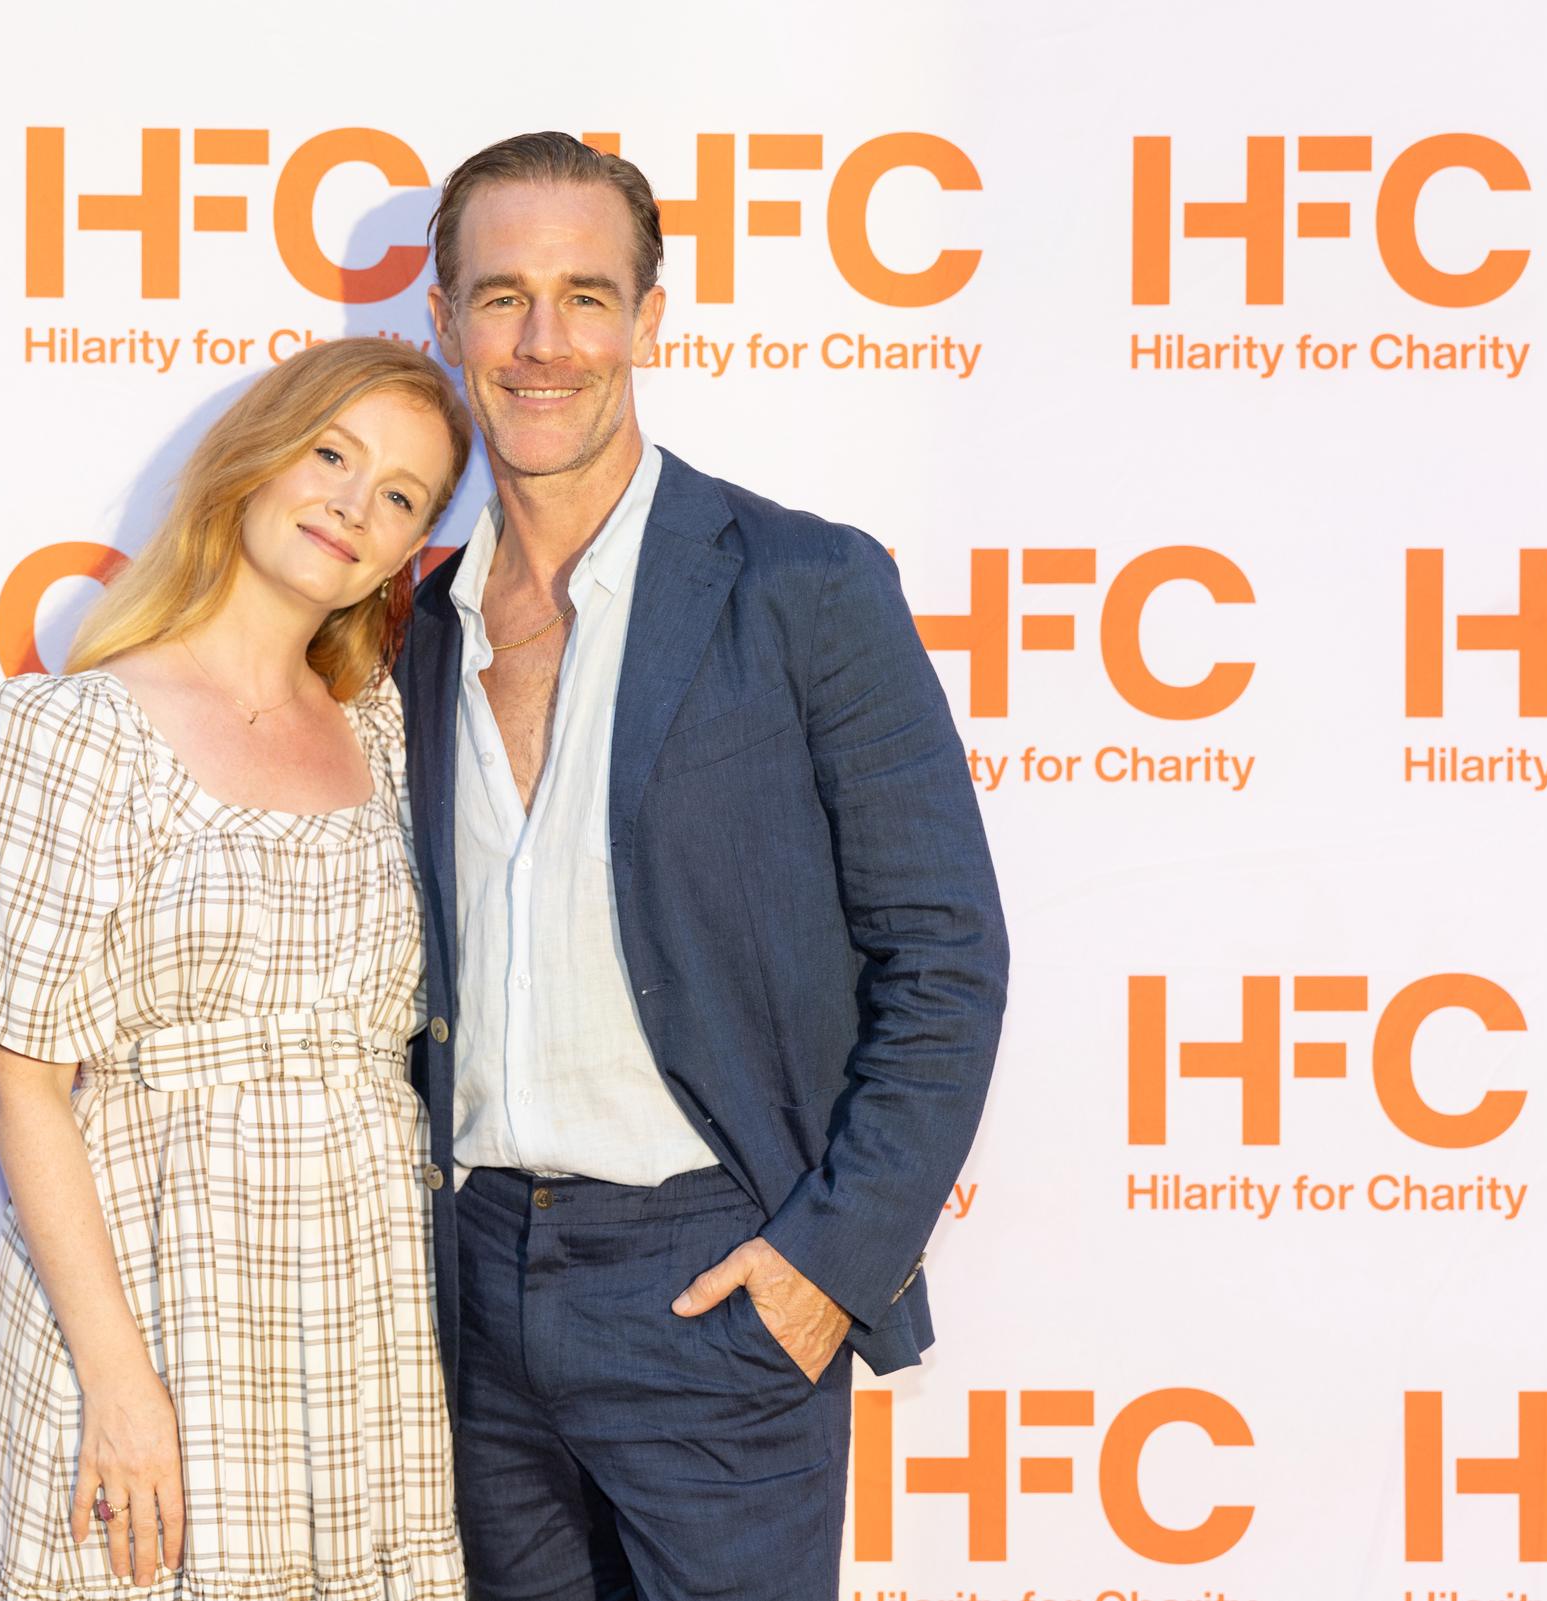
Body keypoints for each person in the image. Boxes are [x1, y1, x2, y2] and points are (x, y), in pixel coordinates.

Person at [393, 133, 1010, 1600]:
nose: (544, 345)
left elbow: (944, 954)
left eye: (587, 295)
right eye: (501, 297)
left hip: (711, 1279)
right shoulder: (406, 629)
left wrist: (825, 1264)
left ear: (653, 318)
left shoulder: (802, 585)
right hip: (466, 1295)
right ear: (442, 318)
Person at [0, 336, 472, 1599]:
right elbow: (24, 1082)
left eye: (400, 495)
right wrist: (122, 1384)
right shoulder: (74, 727)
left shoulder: (390, 728)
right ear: (257, 454)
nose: (354, 504)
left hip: (369, 1296)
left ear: (412, 548)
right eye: (333, 453)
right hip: (156, 1282)